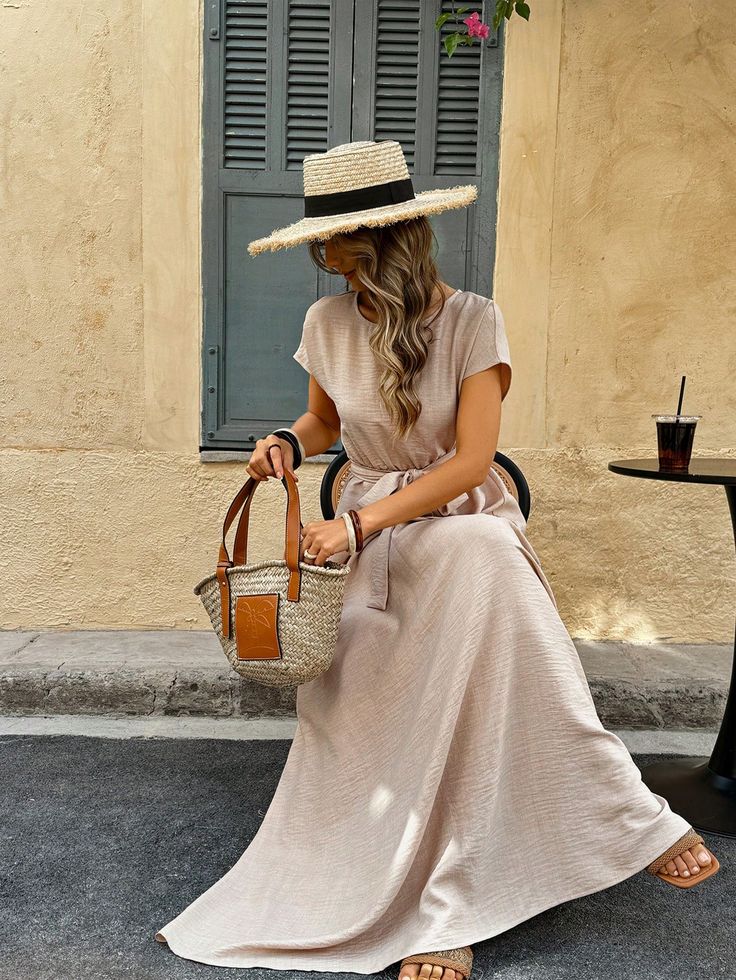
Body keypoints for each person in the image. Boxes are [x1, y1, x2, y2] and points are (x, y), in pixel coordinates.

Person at [154, 141, 720, 976]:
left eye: (343, 251)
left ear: (390, 244)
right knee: (442, 629)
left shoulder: (473, 320)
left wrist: (363, 524)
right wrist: (283, 440)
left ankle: (617, 823)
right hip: (366, 532)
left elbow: (472, 462)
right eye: (325, 250)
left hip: (448, 520)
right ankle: (420, 883)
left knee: (486, 551)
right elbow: (324, 426)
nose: (332, 266)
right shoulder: (325, 322)